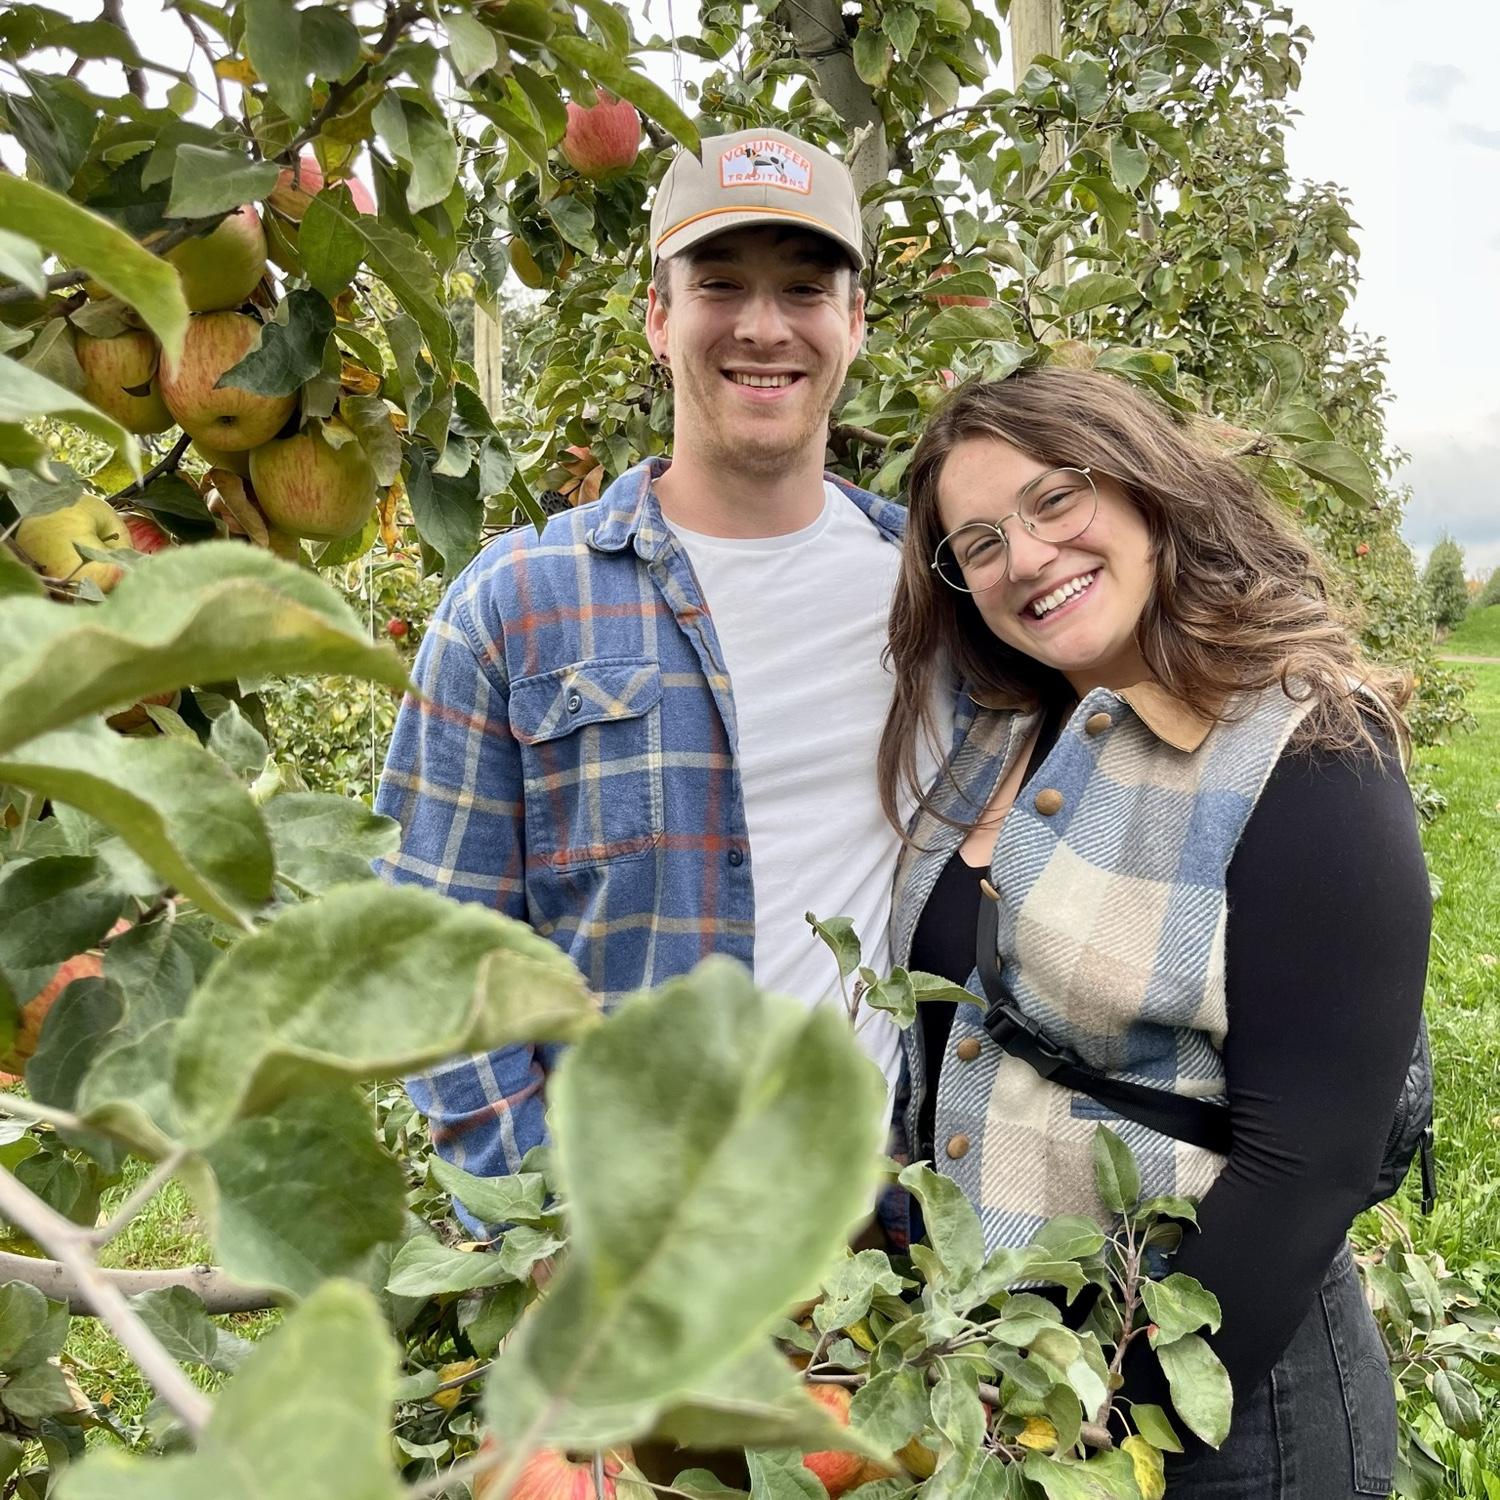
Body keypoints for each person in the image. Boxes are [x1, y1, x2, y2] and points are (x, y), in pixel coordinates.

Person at [878, 367, 1429, 1495]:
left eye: (1054, 499)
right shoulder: (1000, 730)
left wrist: (1119, 1424)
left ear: (1144, 487)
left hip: (1221, 1414)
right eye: (979, 544)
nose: (1027, 557)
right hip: (1005, 1386)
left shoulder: (1305, 750)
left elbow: (1307, 1164)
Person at [375, 128, 943, 1222]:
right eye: (719, 284)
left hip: (893, 1248)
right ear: (656, 318)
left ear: (856, 323)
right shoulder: (517, 605)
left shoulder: (937, 595)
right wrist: (543, 1231)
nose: (764, 326)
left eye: (805, 288)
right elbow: (431, 948)